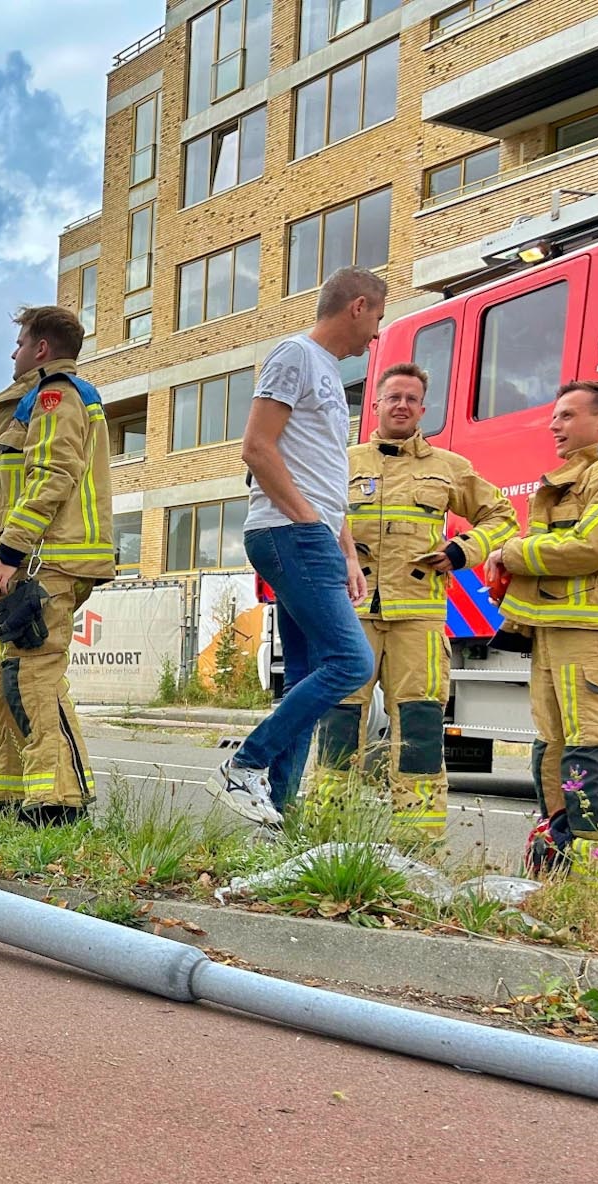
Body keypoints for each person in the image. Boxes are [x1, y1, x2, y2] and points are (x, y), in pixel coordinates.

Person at [208, 268, 386, 826]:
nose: (377, 334)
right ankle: (246, 764)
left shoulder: (330, 375)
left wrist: (349, 552)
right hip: (288, 533)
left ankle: (278, 819)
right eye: (378, 318)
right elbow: (257, 448)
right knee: (352, 661)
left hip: (309, 535)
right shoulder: (295, 355)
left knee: (310, 674)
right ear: (357, 306)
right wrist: (311, 526)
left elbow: (324, 476)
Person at [313, 363, 517, 838]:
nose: (401, 405)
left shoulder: (448, 468)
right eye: (393, 397)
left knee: (421, 724)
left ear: (423, 409)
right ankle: (325, 832)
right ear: (376, 407)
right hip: (352, 612)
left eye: (411, 399)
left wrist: (461, 550)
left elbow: (502, 516)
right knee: (339, 719)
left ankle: (417, 840)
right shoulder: (341, 462)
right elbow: (310, 518)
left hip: (419, 617)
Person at [490, 380, 598, 866]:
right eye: (555, 416)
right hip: (554, 639)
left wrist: (509, 553)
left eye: (567, 415)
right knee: (555, 755)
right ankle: (562, 871)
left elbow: (591, 547)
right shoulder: (571, 480)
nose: (554, 425)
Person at [0, 304, 115, 827]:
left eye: (21, 342)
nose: (14, 352)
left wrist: (10, 553)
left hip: (45, 562)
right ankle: (14, 795)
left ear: (42, 349)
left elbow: (51, 476)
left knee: (34, 677)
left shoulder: (55, 397)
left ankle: (59, 801)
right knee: (6, 678)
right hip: (35, 562)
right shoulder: (31, 401)